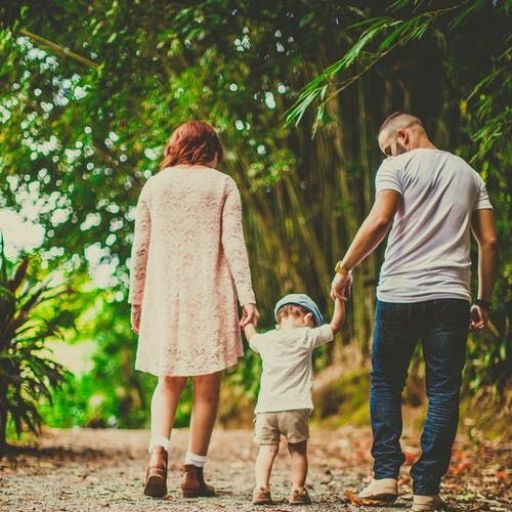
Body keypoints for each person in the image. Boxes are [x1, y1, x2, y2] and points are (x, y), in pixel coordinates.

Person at [331, 112, 498, 511]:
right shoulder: (470, 174)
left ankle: (385, 478)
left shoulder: (397, 166)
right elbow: (489, 242)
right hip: (451, 297)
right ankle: (426, 491)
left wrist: (344, 267)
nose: (388, 154)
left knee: (386, 383)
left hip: (399, 293)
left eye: (388, 146)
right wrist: (483, 301)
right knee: (443, 391)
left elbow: (381, 219)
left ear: (403, 136)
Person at [129, 120, 260, 499]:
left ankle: (157, 458)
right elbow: (234, 244)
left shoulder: (154, 185)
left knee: (167, 380)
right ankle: (193, 473)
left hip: (164, 294)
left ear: (176, 147)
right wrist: (247, 298)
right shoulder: (222, 184)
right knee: (207, 385)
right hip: (211, 292)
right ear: (211, 149)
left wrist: (136, 299)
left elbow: (141, 249)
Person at [244, 293, 345, 506]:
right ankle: (298, 490)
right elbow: (335, 326)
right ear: (307, 319)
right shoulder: (305, 337)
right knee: (297, 450)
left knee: (266, 450)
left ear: (279, 319)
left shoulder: (267, 339)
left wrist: (248, 320)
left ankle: (261, 488)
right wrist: (340, 300)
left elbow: (251, 336)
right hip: (295, 407)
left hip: (267, 408)